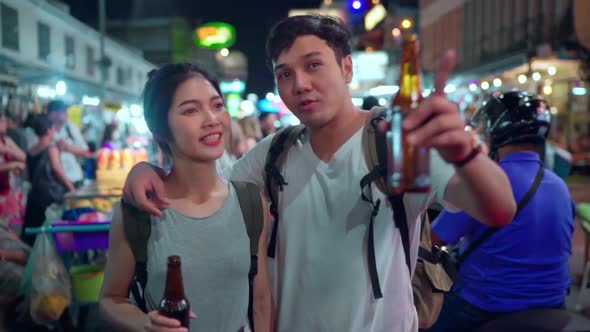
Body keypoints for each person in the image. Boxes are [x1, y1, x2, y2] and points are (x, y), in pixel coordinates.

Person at [122, 15, 515, 331]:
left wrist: (467, 155)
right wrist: (149, 169)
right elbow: (209, 188)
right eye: (285, 74)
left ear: (347, 67)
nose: (300, 85)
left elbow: (500, 210)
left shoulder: (396, 141)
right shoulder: (275, 152)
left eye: (313, 65)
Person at [99, 63, 274, 332]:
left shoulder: (251, 202)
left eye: (217, 105)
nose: (212, 119)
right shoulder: (138, 210)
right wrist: (145, 322)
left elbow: (260, 299)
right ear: (161, 129)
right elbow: (111, 299)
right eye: (191, 110)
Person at [427, 91, 574, 332]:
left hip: (487, 306)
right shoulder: (559, 186)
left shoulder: (487, 185)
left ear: (496, 134)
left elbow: (434, 238)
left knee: (421, 318)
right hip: (554, 305)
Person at [21, 115, 75, 246]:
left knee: (32, 239)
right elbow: (57, 169)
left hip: (34, 198)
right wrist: (71, 187)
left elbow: (27, 177)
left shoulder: (30, 151)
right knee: (49, 238)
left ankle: (31, 263)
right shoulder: (51, 148)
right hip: (49, 198)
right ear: (49, 130)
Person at [46, 100, 90, 187]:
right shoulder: (44, 131)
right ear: (53, 114)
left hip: (76, 178)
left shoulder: (71, 127)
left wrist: (67, 147)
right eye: (63, 111)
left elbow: (85, 151)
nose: (67, 114)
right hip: (54, 183)